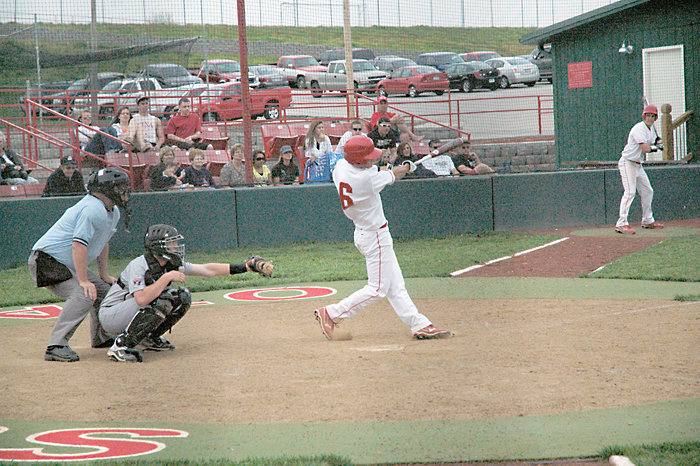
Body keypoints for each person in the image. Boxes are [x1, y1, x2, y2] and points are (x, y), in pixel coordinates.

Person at [314, 135, 450, 341]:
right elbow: (393, 175)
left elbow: (380, 171)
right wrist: (406, 166)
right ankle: (332, 313)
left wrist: (397, 168)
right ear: (359, 160)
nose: (372, 159)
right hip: (374, 236)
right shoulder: (366, 180)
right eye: (368, 157)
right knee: (377, 289)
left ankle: (419, 323)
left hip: (365, 232)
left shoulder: (342, 166)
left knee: (395, 286)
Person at [98, 224, 274, 362]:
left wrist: (245, 267)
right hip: (111, 314)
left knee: (181, 297)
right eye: (171, 243)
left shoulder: (170, 263)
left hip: (129, 311)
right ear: (159, 247)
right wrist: (166, 278)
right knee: (162, 300)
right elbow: (142, 299)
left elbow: (207, 270)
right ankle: (120, 346)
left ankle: (149, 338)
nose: (176, 246)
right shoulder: (140, 265)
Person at [28, 167, 131, 362]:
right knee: (84, 294)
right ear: (106, 189)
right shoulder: (91, 209)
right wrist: (83, 280)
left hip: (65, 263)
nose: (124, 191)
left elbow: (102, 242)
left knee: (105, 292)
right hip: (46, 261)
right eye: (120, 187)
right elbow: (78, 245)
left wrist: (104, 274)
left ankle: (102, 337)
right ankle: (56, 345)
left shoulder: (112, 211)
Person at [615, 104, 665, 234]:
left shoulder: (649, 130)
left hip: (638, 164)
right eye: (647, 116)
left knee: (648, 191)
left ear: (655, 118)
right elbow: (645, 149)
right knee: (630, 192)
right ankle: (621, 223)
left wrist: (656, 143)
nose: (649, 118)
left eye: (652, 116)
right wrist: (657, 147)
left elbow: (648, 145)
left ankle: (647, 220)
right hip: (628, 163)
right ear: (644, 116)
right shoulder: (638, 128)